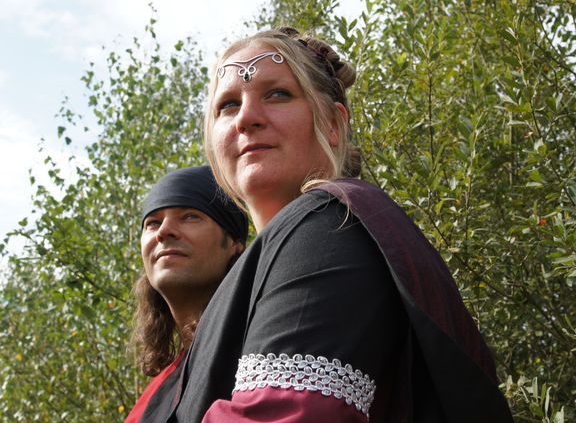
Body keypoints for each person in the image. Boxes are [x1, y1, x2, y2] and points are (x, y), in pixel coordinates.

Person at [151, 27, 513, 422]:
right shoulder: (282, 251)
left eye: (277, 94)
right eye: (228, 105)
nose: (247, 118)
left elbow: (291, 414)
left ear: (332, 124)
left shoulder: (326, 226)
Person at [125, 166, 248, 423]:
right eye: (152, 223)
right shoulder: (151, 399)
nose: (164, 231)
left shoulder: (263, 346)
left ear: (234, 243)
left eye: (190, 217)